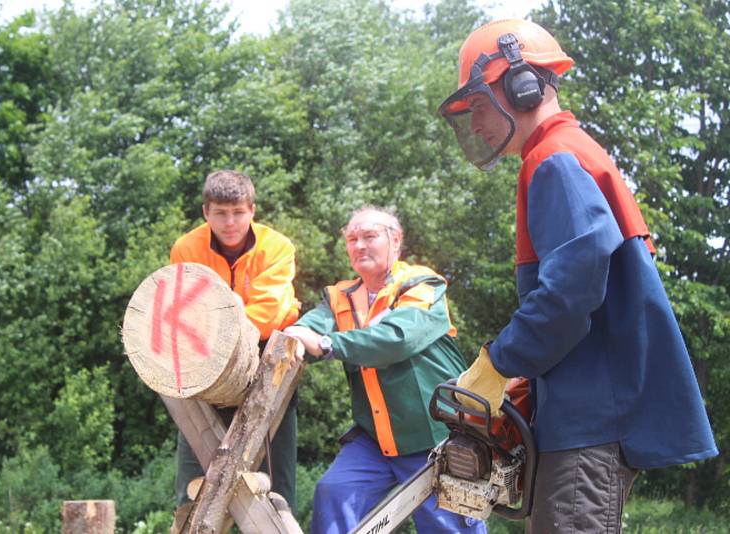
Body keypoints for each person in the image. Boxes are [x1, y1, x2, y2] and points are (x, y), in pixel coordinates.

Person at [437, 19, 718, 533]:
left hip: (590, 421)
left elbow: (573, 287)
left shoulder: (555, 157)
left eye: (478, 106)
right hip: (582, 409)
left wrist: (501, 362)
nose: (475, 125)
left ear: (521, 87)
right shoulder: (564, 152)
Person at [284, 207, 486, 534]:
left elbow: (397, 339)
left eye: (369, 236)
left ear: (396, 240)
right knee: (335, 491)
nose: (359, 245)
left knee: (449, 525)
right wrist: (293, 338)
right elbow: (308, 327)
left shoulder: (423, 285)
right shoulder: (339, 296)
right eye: (352, 239)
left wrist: (324, 343)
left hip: (438, 436)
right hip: (375, 440)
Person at [169, 170, 301, 518]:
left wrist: (213, 324)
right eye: (220, 213)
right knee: (193, 491)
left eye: (238, 212)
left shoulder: (277, 247)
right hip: (203, 367)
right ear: (205, 212)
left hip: (267, 366)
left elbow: (269, 313)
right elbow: (182, 312)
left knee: (274, 493)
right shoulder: (187, 248)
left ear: (252, 210)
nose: (230, 222)